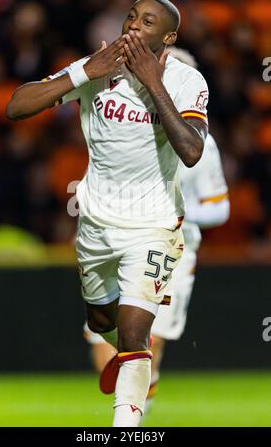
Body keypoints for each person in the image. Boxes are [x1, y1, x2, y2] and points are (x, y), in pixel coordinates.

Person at [6, 0, 209, 427]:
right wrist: (83, 73)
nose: (134, 26)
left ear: (168, 37)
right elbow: (16, 106)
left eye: (148, 22)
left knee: (136, 331)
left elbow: (192, 151)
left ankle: (125, 426)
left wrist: (154, 84)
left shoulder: (186, 80)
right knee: (102, 320)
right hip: (96, 222)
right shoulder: (96, 68)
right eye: (131, 17)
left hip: (154, 224)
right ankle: (127, 354)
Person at [83, 47, 229, 416]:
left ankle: (131, 422)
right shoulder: (119, 119)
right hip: (116, 235)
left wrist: (175, 210)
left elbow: (220, 205)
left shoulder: (201, 143)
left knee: (152, 339)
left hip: (171, 244)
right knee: (107, 343)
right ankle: (130, 407)